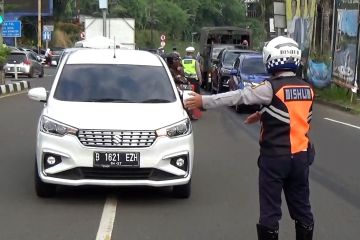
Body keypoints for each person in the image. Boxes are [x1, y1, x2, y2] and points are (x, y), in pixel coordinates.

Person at [185, 36, 315, 240]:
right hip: (301, 158)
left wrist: (204, 101)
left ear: (271, 59)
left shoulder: (270, 87)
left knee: (270, 214)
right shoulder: (308, 89)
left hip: (275, 159)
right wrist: (263, 114)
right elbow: (294, 114)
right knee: (303, 211)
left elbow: (238, 96)